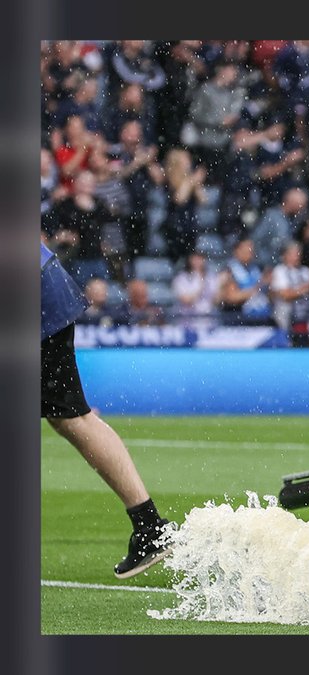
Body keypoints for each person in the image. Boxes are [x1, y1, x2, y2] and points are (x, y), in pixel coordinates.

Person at [40, 241, 173, 578]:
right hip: (44, 284)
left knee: (73, 417)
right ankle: (149, 526)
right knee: (71, 418)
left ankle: (150, 527)